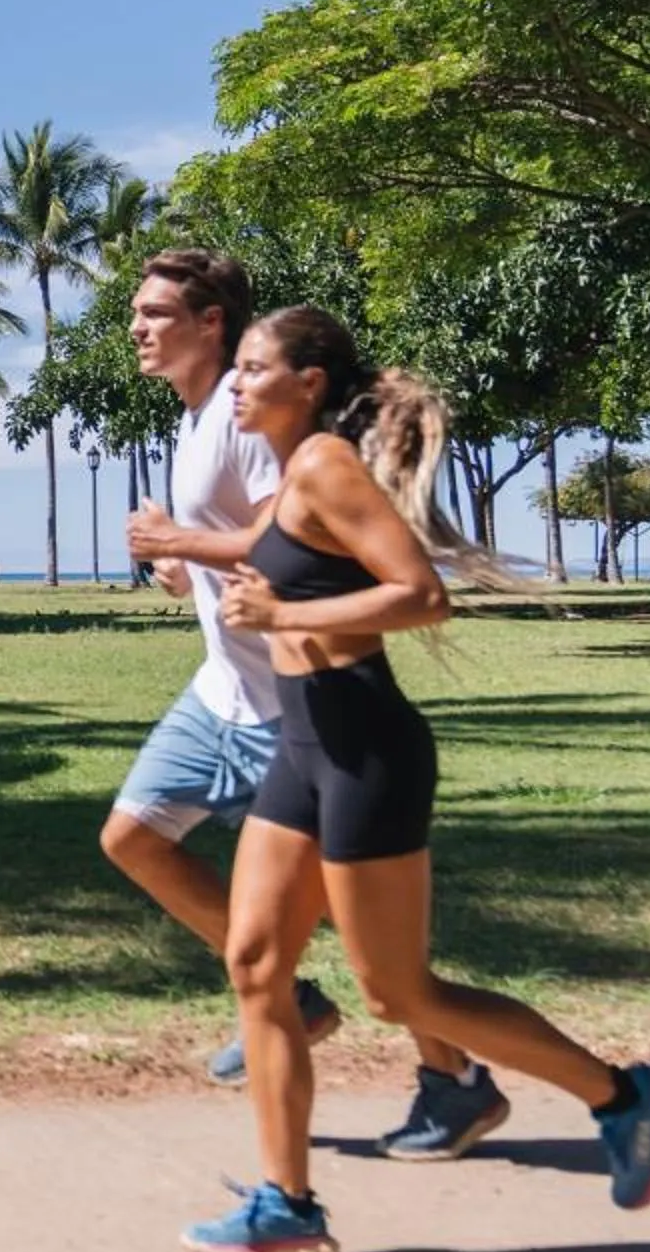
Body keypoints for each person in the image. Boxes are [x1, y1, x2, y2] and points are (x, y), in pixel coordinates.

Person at [183, 305, 650, 1252]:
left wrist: (281, 603)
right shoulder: (290, 477)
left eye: (254, 369)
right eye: (236, 369)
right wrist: (203, 567)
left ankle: (625, 1096)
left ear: (310, 384)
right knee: (255, 963)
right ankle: (287, 1204)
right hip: (303, 741)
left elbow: (421, 594)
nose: (237, 384)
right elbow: (275, 565)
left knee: (396, 990)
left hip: (365, 745)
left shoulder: (327, 464)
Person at [111, 251, 503, 1163]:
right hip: (225, 692)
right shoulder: (203, 414)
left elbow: (287, 530)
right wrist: (183, 566)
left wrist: (182, 539)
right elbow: (242, 549)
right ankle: (292, 1002)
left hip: (293, 702)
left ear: (211, 323)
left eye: (155, 311)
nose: (137, 326)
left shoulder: (251, 421)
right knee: (134, 837)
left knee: (355, 925)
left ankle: (454, 1078)